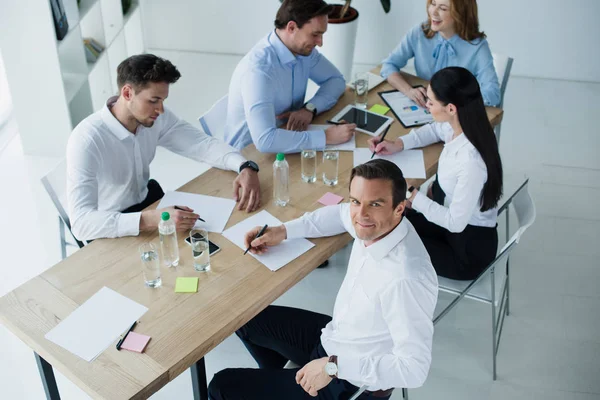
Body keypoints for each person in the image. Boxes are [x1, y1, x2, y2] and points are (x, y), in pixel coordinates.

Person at [208, 159, 438, 400]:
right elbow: (339, 215)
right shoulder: (375, 223)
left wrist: (333, 366)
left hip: (347, 381)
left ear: (399, 208)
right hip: (334, 340)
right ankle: (281, 384)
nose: (360, 215)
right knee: (242, 319)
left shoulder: (405, 277)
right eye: (356, 201)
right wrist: (282, 231)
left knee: (221, 386)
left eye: (375, 204)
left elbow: (414, 370)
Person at [66, 54, 261, 242]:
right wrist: (151, 219)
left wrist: (245, 165)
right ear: (127, 93)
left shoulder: (155, 117)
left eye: (162, 100)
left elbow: (200, 144)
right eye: (153, 101)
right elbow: (81, 223)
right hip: (110, 226)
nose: (160, 109)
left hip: (147, 204)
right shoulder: (86, 140)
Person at [368, 67, 503, 280]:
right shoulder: (463, 125)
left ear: (450, 108)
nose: (426, 105)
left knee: (384, 238)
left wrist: (412, 194)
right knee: (386, 222)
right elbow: (433, 130)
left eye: (430, 102)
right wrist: (398, 144)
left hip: (465, 250)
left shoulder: (471, 161)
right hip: (450, 224)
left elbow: (455, 223)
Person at [224, 0, 356, 154]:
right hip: (247, 156)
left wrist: (309, 109)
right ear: (291, 27)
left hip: (289, 136)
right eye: (315, 34)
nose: (320, 43)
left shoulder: (303, 51)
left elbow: (336, 80)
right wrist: (326, 137)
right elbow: (265, 140)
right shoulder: (259, 71)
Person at [380, 0, 500, 107]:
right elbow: (389, 65)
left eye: (443, 8)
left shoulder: (478, 47)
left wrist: (456, 101)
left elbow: (493, 93)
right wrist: (409, 91)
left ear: (461, 14)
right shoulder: (419, 33)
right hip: (425, 108)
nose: (433, 12)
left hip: (455, 115)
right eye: (433, 3)